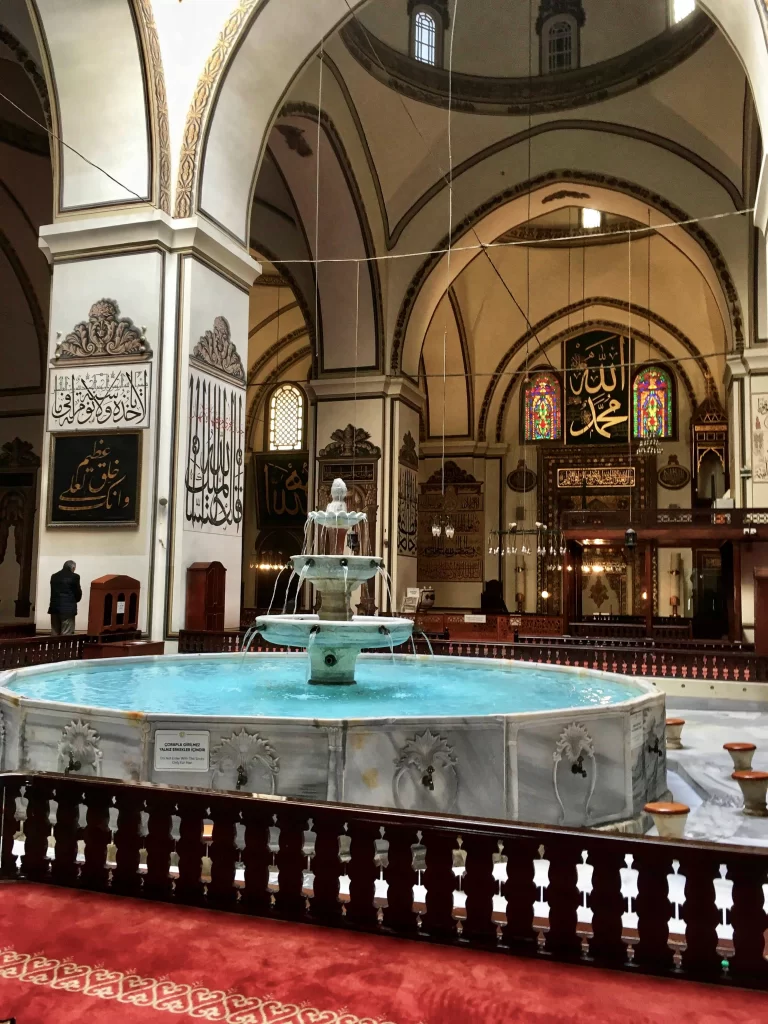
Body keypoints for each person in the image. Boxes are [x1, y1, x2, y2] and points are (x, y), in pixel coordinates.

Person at [49, 560, 82, 635]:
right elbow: (77, 593)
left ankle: (55, 647)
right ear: (73, 568)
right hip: (68, 610)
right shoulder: (75, 577)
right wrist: (75, 600)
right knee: (66, 634)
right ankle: (64, 647)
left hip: (54, 608)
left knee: (54, 634)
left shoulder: (54, 576)